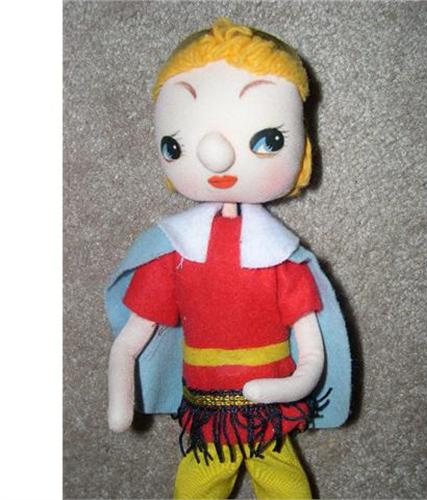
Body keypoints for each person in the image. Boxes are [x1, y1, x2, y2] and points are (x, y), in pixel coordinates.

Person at [105, 17, 351, 499]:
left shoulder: (281, 258)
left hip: (268, 414)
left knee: (285, 486)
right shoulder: (174, 253)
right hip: (207, 412)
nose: (216, 157)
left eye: (267, 141)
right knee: (197, 486)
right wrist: (120, 392)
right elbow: (130, 341)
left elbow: (312, 351)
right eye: (177, 145)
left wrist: (289, 386)